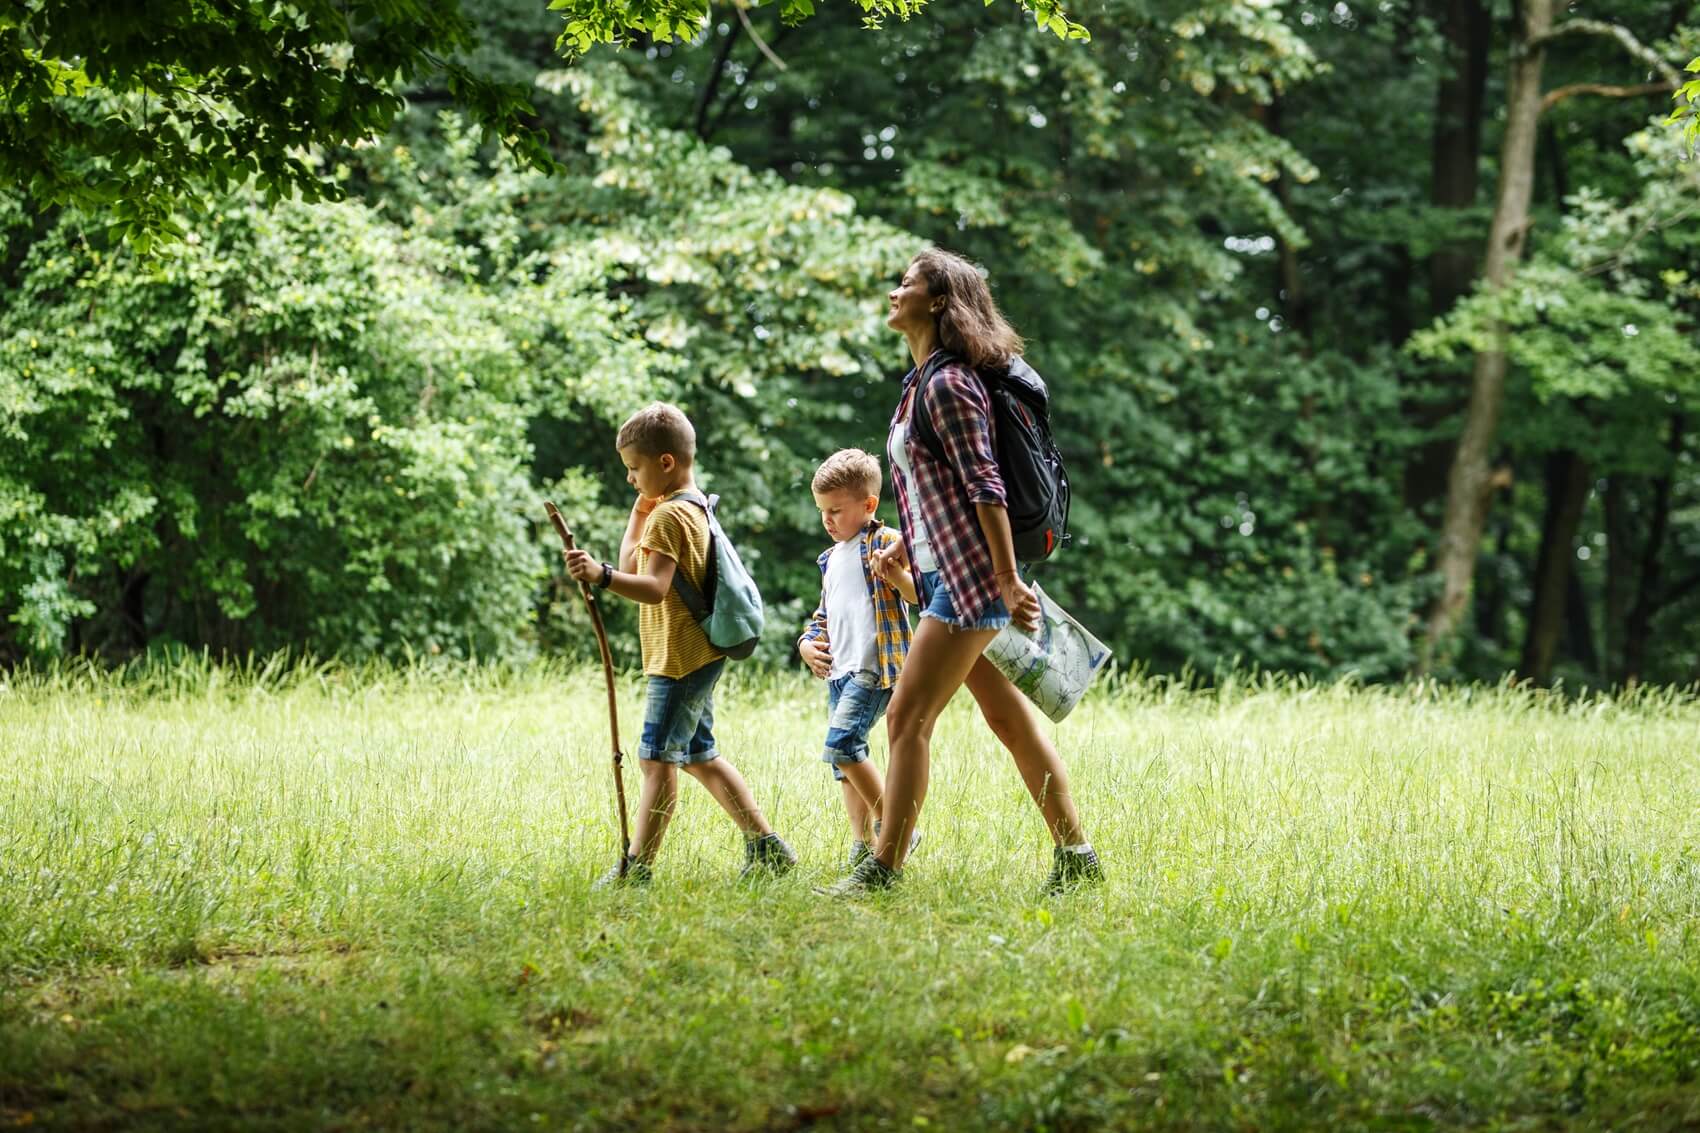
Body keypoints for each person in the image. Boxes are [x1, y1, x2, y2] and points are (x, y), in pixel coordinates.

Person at [824, 248, 1103, 897]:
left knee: (905, 720)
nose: (895, 292)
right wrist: (906, 549)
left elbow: (985, 483)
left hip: (971, 578)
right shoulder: (919, 382)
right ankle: (1078, 857)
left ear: (941, 301)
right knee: (1008, 721)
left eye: (908, 284)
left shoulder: (949, 384)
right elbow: (931, 486)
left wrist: (1007, 577)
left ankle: (883, 869)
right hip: (944, 569)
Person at [564, 402, 796, 887]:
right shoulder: (685, 508)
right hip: (691, 654)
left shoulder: (672, 518)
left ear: (665, 462)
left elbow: (650, 587)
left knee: (655, 758)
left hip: (681, 658)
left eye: (634, 469)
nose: (630, 479)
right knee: (697, 754)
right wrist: (639, 508)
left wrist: (600, 576)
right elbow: (635, 560)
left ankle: (638, 869)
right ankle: (768, 846)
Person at [797, 448, 920, 869]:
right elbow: (822, 617)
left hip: (875, 667)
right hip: (840, 672)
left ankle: (896, 826)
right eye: (822, 512)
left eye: (835, 510)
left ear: (868, 506)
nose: (827, 521)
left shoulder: (884, 542)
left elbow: (919, 595)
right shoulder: (830, 559)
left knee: (842, 745)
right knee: (844, 765)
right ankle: (862, 844)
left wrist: (897, 575)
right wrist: (805, 644)